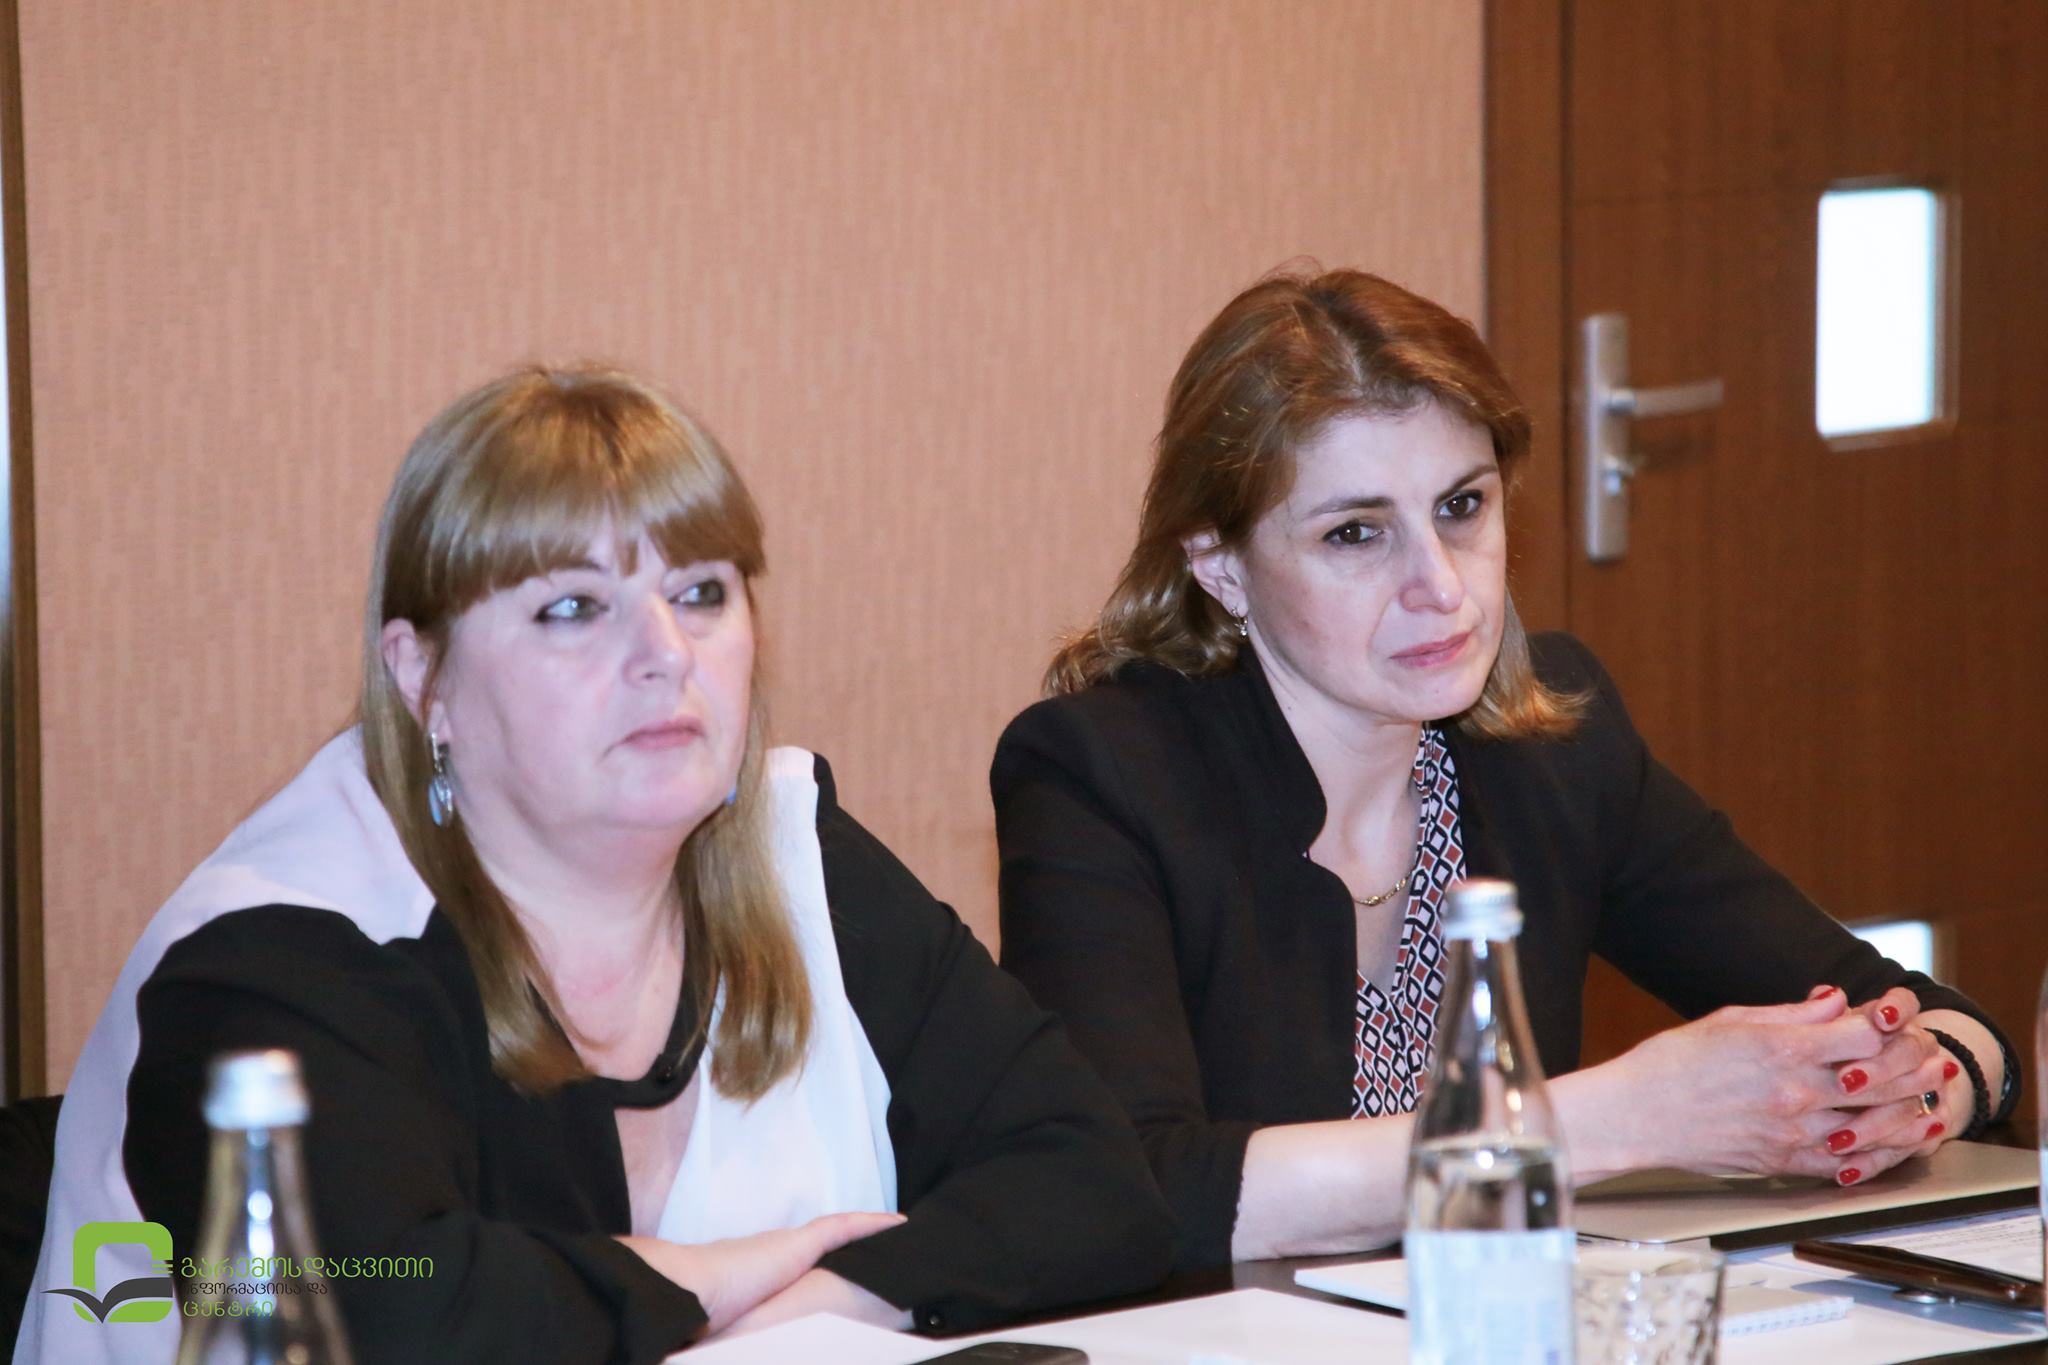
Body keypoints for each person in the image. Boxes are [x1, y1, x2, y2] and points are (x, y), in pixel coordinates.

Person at [19, 366, 1173, 1365]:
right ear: (422, 679)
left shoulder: (799, 856)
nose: (664, 655)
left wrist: (825, 1303)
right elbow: (390, 1310)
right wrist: (706, 1280)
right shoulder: (267, 954)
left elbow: (1094, 1180)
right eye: (574, 607)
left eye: (700, 594)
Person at [990, 266, 2017, 1271]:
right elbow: (1130, 1190)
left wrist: (1909, 1098)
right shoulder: (1099, 775)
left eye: (1461, 507)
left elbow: (1930, 1022)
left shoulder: (1551, 746)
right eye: (1356, 533)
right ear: (1219, 563)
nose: (1441, 586)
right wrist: (1612, 1118)